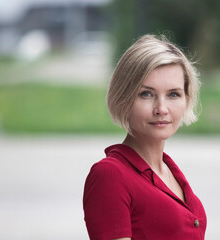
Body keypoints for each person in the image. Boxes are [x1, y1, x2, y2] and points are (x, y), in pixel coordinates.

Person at [83, 34, 206, 240]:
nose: (161, 109)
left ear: (187, 98)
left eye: (173, 94)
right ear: (124, 97)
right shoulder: (110, 175)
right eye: (146, 94)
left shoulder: (169, 171)